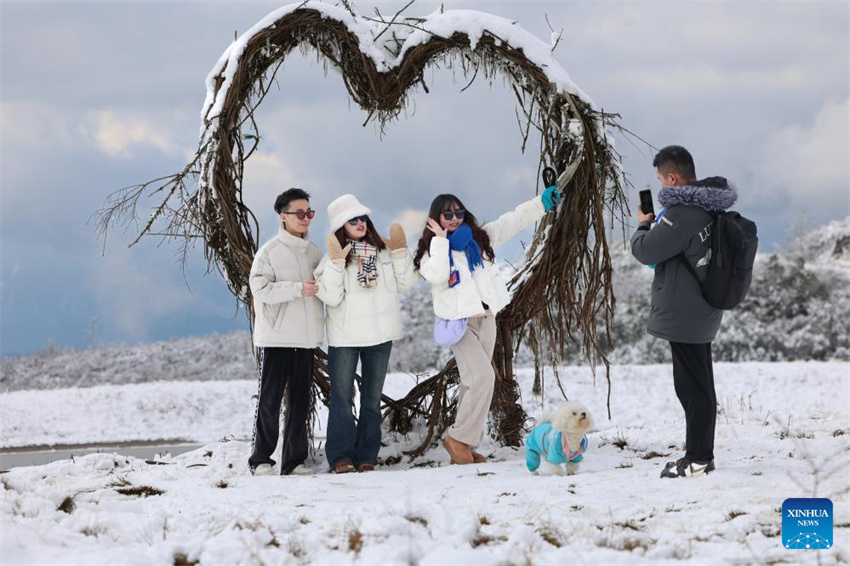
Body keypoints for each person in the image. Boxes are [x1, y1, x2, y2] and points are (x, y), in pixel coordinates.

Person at [414, 187, 560, 465]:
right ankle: (455, 438)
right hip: (458, 323)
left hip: (486, 317)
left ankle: (464, 443)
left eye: (458, 212)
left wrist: (541, 203)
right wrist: (441, 241)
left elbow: (513, 220)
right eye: (447, 214)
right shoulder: (428, 253)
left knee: (473, 383)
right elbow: (438, 275)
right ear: (435, 219)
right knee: (484, 377)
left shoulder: (480, 239)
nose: (455, 218)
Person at [630, 145, 737, 479]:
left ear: (672, 178)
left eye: (662, 180)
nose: (661, 186)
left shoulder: (683, 212)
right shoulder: (709, 208)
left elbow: (646, 249)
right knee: (699, 384)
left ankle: (699, 459)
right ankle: (700, 455)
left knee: (692, 387)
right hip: (703, 308)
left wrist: (643, 225)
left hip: (686, 313)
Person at [314, 194, 419, 473]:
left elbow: (405, 282)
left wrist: (400, 252)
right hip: (345, 338)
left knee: (371, 401)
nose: (360, 223)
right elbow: (330, 297)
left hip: (380, 336)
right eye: (352, 220)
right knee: (341, 398)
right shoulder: (331, 259)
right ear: (341, 227)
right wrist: (337, 264)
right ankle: (340, 457)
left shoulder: (383, 251)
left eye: (362, 218)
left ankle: (366, 457)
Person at [248, 188, 325, 476]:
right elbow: (260, 289)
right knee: (269, 399)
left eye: (309, 213)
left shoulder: (315, 252)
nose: (306, 218)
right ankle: (260, 459)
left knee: (300, 402)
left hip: (305, 340)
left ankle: (293, 461)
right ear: (283, 216)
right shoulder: (269, 252)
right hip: (276, 338)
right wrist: (296, 289)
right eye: (300, 213)